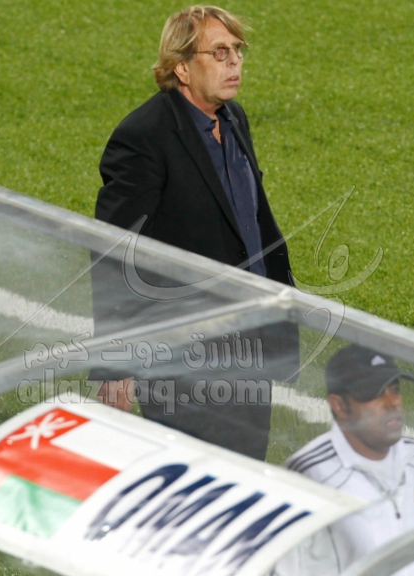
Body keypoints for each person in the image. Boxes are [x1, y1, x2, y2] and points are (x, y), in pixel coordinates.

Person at [93, 6, 299, 460]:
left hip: (248, 341)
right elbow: (113, 252)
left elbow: (248, 223)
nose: (235, 61)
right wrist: (114, 363)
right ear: (182, 67)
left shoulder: (233, 119)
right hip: (181, 353)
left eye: (238, 50)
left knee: (244, 472)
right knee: (190, 477)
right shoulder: (143, 136)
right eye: (219, 52)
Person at [253, 344, 414, 576]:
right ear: (339, 406)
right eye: (374, 394)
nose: (392, 403)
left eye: (394, 390)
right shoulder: (308, 479)